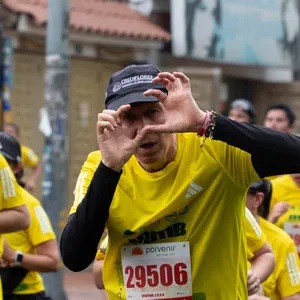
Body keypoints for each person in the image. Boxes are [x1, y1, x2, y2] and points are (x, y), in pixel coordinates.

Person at [60, 64, 300, 299]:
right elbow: (75, 257)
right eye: (129, 117)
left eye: (152, 112)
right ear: (114, 121)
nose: (143, 128)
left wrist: (206, 123)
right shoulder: (102, 165)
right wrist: (109, 169)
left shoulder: (215, 152)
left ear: (169, 110)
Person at [0, 132, 58, 300]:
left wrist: (15, 256)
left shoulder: (30, 206)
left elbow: (52, 261)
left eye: (5, 162)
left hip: (25, 294)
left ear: (17, 167)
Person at [247, 180, 300, 300]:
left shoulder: (282, 241)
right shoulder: (214, 230)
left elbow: (294, 296)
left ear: (257, 199)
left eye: (240, 193)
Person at [3, 123, 42, 193]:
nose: (7, 134)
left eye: (10, 132)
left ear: (17, 136)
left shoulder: (24, 151)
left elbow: (37, 165)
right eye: (4, 132)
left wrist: (32, 180)